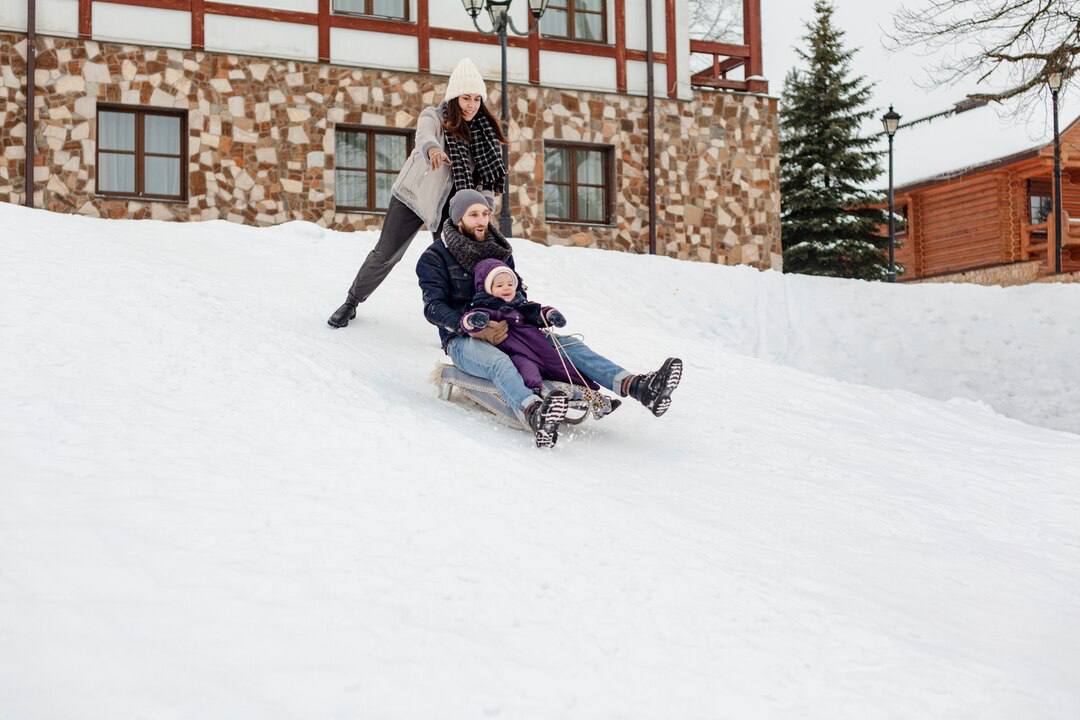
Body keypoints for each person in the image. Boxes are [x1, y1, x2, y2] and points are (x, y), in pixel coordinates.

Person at [416, 189, 683, 448]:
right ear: (458, 218)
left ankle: (638, 386)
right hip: (463, 340)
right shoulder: (435, 257)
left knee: (569, 346)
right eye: (474, 214)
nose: (482, 220)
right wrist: (472, 327)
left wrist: (536, 315)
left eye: (485, 213)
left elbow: (516, 293)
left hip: (513, 330)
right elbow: (433, 307)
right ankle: (533, 412)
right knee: (499, 362)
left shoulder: (499, 251)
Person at [327, 57, 507, 328]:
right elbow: (425, 136)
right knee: (386, 253)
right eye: (466, 98)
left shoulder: (485, 135)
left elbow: (487, 181)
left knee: (455, 263)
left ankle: (457, 321)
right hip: (413, 196)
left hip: (452, 207)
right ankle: (352, 301)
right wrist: (433, 150)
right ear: (454, 97)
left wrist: (483, 208)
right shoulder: (434, 117)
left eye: (477, 99)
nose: (471, 105)